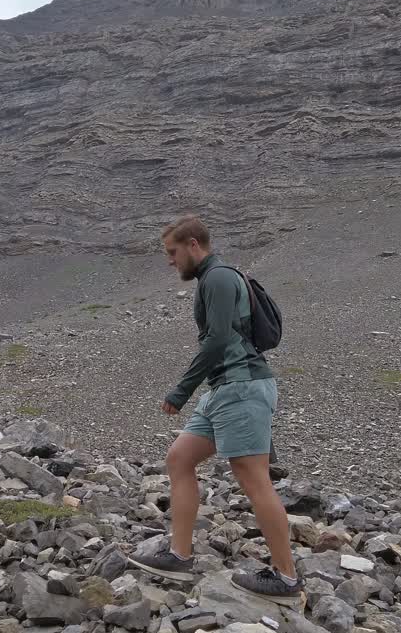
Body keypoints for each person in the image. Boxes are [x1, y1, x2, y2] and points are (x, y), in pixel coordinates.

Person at [128, 215, 303, 606]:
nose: (170, 261)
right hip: (224, 389)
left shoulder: (220, 277)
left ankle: (287, 579)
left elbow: (219, 339)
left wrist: (181, 389)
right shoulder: (211, 279)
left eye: (172, 252)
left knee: (253, 478)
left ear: (193, 245)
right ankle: (179, 555)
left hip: (241, 387)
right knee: (179, 459)